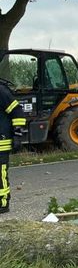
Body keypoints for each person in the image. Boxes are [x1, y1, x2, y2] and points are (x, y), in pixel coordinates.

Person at [0, 83, 26, 214]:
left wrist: (17, 135)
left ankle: (2, 203)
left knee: (0, 173)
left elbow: (17, 111)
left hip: (1, 142)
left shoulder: (1, 91)